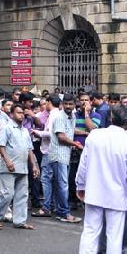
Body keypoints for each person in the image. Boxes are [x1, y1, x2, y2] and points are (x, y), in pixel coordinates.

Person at [76, 105, 127, 254]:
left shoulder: (95, 136)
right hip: (117, 196)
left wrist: (80, 185)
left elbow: (84, 164)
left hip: (94, 191)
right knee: (114, 235)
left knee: (90, 231)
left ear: (111, 117)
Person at [0, 104, 39, 230]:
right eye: (18, 113)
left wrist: (33, 165)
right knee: (7, 194)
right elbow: (0, 146)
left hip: (23, 167)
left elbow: (29, 150)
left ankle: (20, 221)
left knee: (22, 195)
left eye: (22, 113)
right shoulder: (6, 128)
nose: (22, 115)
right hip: (9, 167)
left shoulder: (24, 131)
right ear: (12, 114)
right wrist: (7, 161)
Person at [47, 95, 82, 223]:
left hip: (65, 156)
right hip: (58, 155)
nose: (68, 106)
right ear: (62, 104)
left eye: (70, 104)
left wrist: (86, 133)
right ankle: (65, 213)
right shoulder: (60, 117)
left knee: (60, 185)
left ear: (74, 104)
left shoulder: (72, 116)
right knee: (63, 185)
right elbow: (62, 137)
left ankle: (60, 209)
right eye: (66, 104)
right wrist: (76, 144)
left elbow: (72, 131)